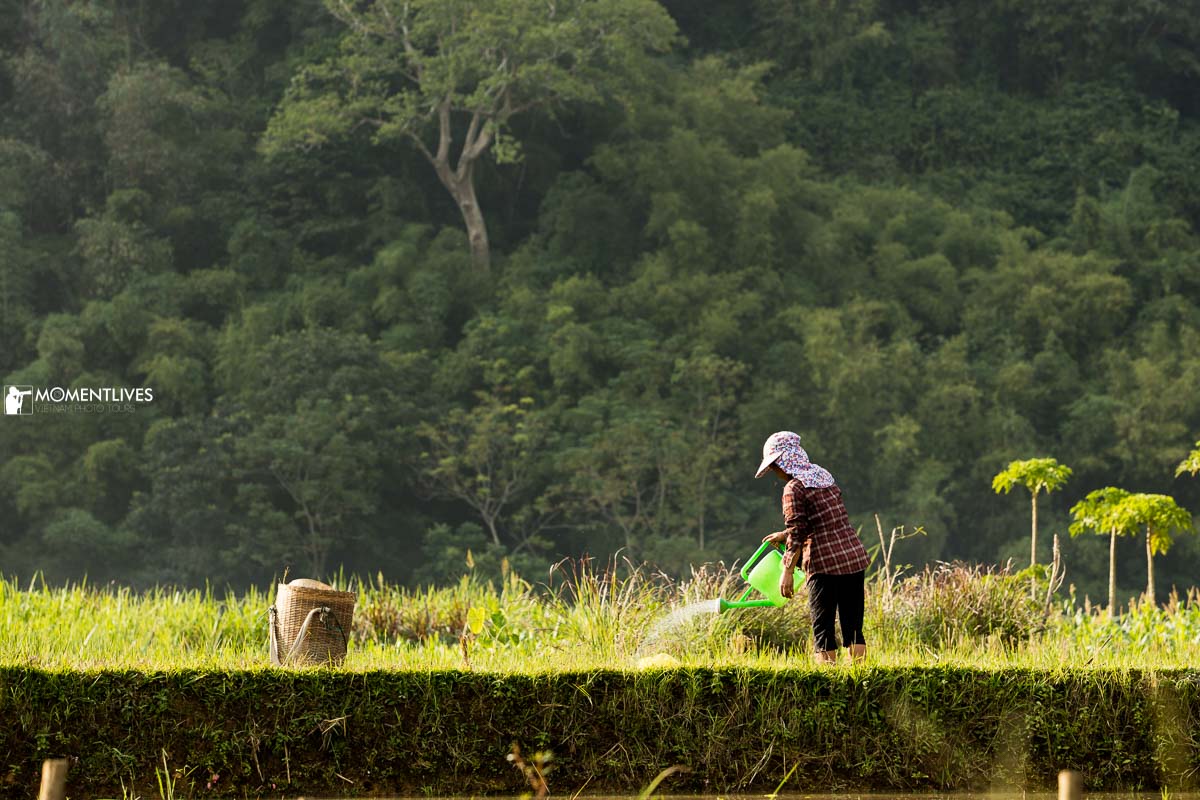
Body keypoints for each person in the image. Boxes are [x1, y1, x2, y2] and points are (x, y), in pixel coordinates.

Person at [755, 430, 869, 664]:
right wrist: (783, 534)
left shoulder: (794, 488)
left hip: (824, 563)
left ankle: (827, 689)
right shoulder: (822, 475)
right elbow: (823, 519)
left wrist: (786, 571)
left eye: (775, 466)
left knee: (823, 629)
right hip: (853, 557)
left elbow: (798, 531)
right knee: (853, 627)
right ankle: (860, 682)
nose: (775, 473)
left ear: (782, 462)